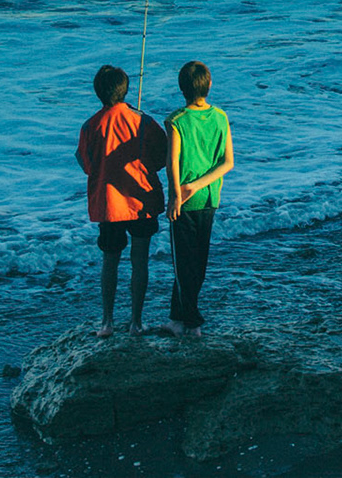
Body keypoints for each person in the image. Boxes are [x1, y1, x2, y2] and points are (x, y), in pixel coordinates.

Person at [76, 64, 168, 337]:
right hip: (141, 201)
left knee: (110, 260)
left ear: (98, 93)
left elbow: (85, 163)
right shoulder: (144, 121)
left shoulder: (91, 125)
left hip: (109, 204)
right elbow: (161, 158)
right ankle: (136, 322)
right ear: (125, 90)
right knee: (140, 260)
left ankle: (106, 323)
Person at [165, 60, 234, 336]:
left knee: (183, 263)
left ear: (181, 88)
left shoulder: (176, 120)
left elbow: (172, 164)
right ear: (210, 84)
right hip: (210, 198)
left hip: (185, 200)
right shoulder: (221, 116)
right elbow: (227, 162)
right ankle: (176, 318)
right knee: (197, 260)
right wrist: (201, 185)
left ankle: (192, 322)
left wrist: (177, 194)